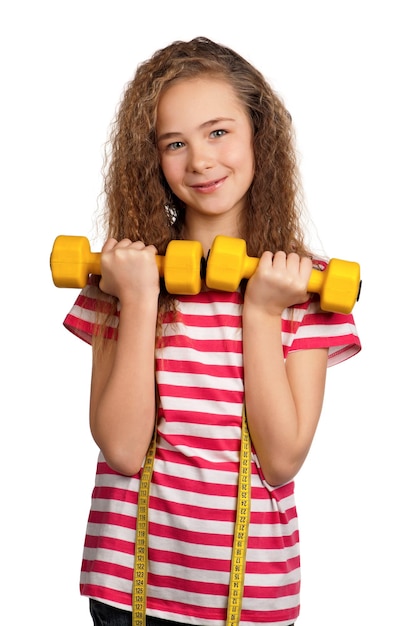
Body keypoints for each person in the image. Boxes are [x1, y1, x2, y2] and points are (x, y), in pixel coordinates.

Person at [63, 36, 361, 626]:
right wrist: (142, 298)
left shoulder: (310, 289)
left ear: (260, 136)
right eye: (175, 143)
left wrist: (262, 311)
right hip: (128, 589)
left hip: (250, 597)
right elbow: (122, 449)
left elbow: (280, 460)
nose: (199, 160)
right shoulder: (119, 279)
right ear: (151, 159)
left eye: (218, 132)